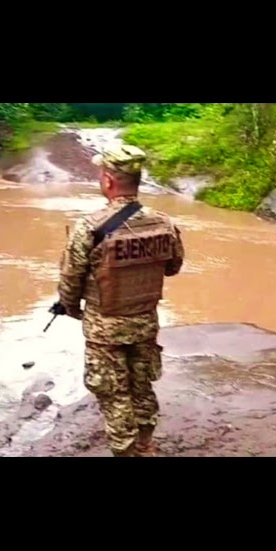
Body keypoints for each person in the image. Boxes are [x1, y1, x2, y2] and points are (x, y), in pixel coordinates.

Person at [54, 145, 185, 456]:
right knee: (142, 386)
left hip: (105, 328)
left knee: (114, 395)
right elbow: (173, 267)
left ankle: (125, 451)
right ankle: (145, 445)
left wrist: (71, 309)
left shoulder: (90, 227)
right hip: (145, 322)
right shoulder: (163, 223)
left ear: (109, 181)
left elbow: (70, 280)